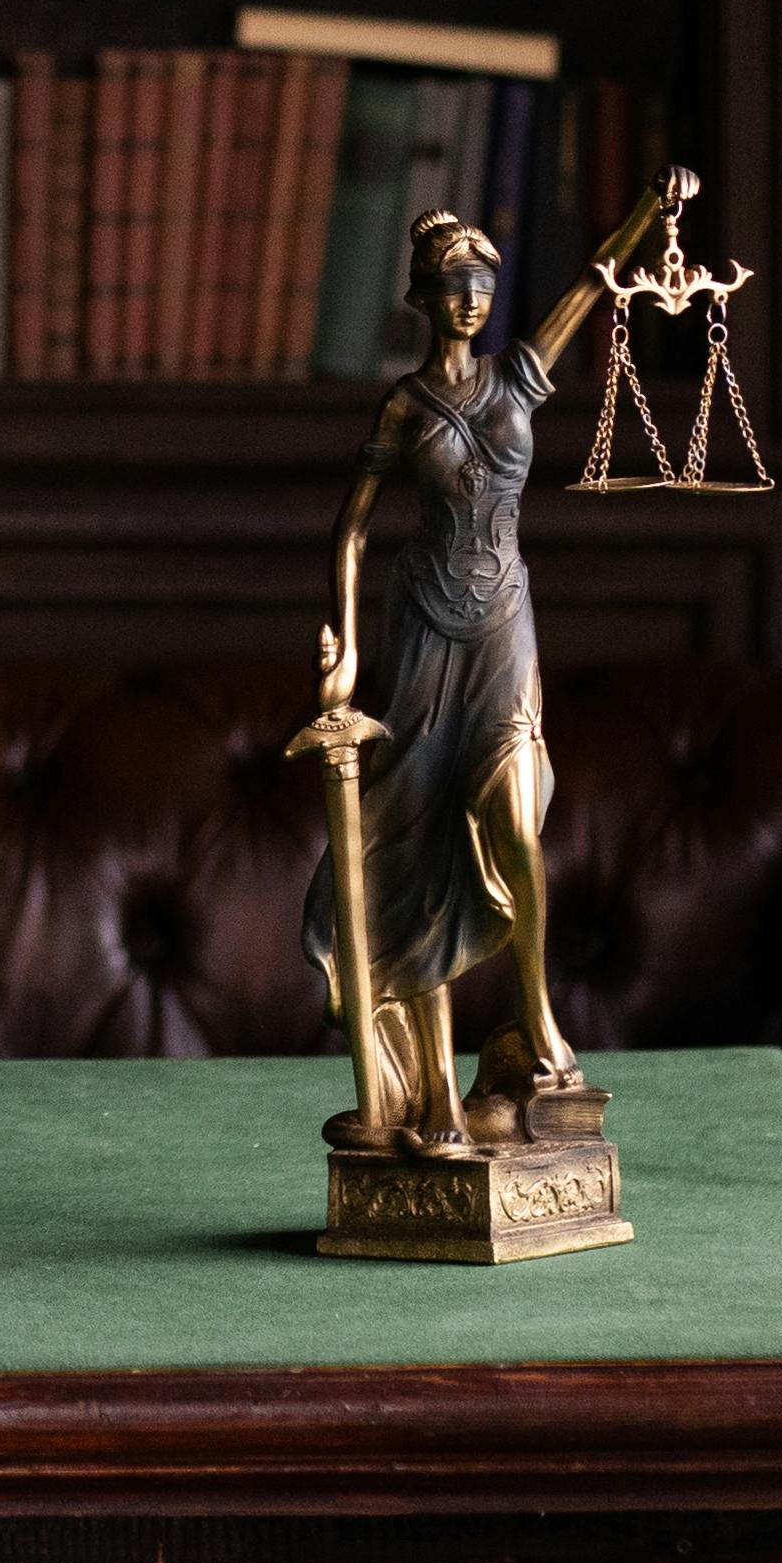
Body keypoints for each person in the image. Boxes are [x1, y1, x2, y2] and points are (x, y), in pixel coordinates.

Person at [302, 173, 685, 1149]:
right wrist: (341, 649)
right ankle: (424, 1086)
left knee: (517, 820)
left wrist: (649, 207)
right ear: (423, 298)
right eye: (454, 281)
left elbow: (597, 284)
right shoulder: (404, 402)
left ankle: (538, 1015)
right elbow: (352, 530)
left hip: (505, 621)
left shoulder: (520, 377)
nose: (472, 296)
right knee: (421, 835)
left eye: (483, 280)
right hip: (424, 628)